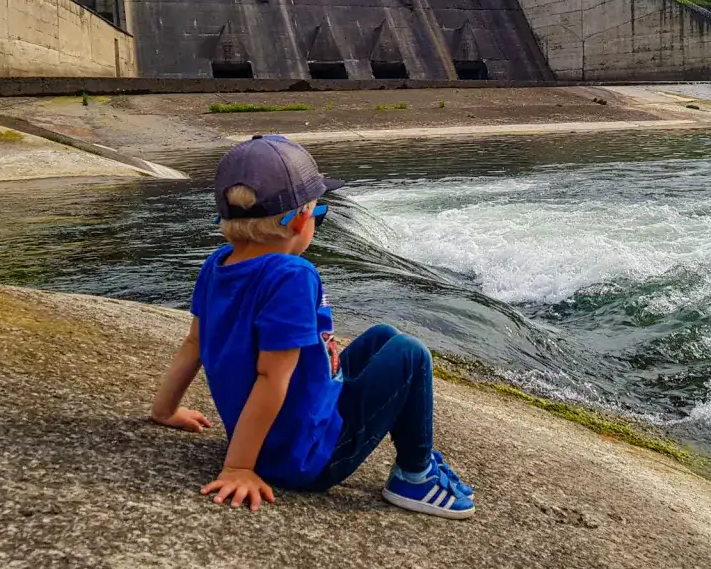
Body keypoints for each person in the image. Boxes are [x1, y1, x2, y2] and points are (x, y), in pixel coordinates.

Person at [148, 134, 474, 518]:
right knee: (411, 354)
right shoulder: (292, 276)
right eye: (319, 214)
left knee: (383, 338)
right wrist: (239, 467)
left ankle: (414, 460)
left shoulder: (218, 264)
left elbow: (193, 344)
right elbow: (271, 378)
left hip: (288, 428)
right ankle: (415, 476)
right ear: (301, 219)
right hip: (306, 458)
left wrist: (164, 410)